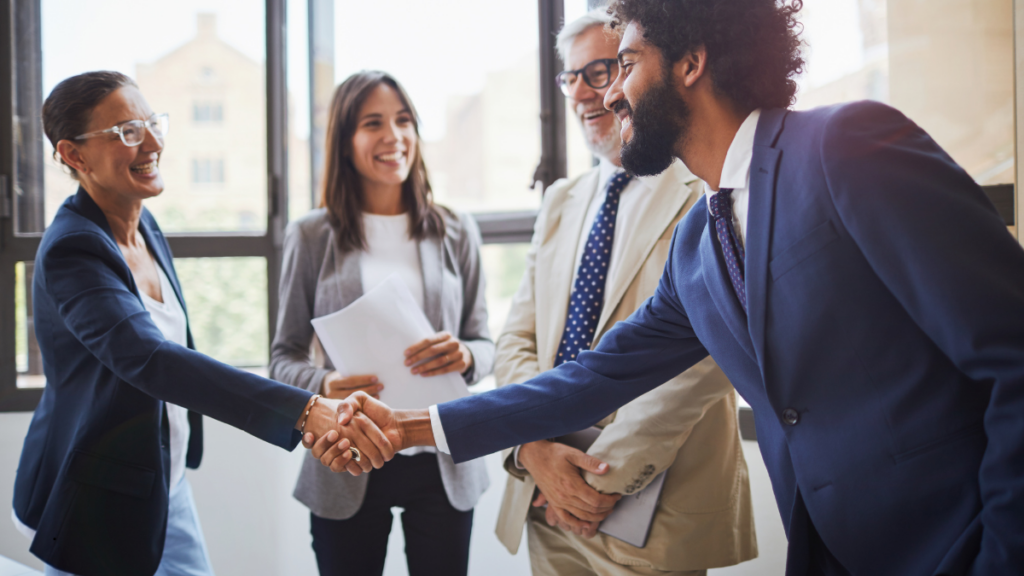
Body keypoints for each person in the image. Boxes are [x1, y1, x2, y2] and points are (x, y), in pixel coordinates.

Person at [312, 1, 1024, 574]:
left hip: (957, 541)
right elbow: (590, 379)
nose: (609, 92)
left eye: (623, 64)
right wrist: (412, 427)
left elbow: (1013, 352)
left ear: (691, 60)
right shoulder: (698, 244)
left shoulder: (846, 147)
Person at [12, 71, 393, 576]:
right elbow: (151, 359)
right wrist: (304, 410)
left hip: (159, 483)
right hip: (94, 495)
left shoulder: (141, 222)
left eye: (152, 123)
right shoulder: (72, 251)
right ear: (75, 155)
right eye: (127, 132)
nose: (152, 142)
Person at [492, 10, 755, 576]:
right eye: (572, 77)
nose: (587, 93)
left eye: (603, 69)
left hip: (652, 512)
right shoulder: (562, 200)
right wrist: (535, 451)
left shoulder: (703, 185)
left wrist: (592, 475)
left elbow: (708, 355)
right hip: (545, 502)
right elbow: (517, 339)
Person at [270, 70, 492, 576]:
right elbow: (282, 358)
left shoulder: (456, 229)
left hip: (441, 456)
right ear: (346, 142)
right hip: (347, 458)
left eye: (404, 120)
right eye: (374, 123)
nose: (394, 136)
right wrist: (323, 383)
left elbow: (484, 340)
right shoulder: (310, 235)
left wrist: (469, 354)